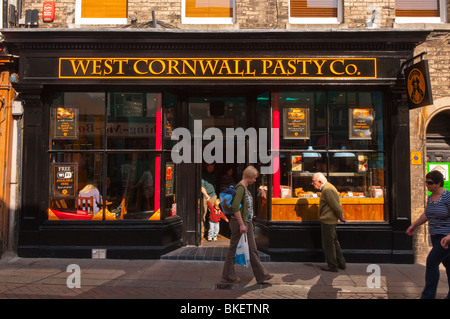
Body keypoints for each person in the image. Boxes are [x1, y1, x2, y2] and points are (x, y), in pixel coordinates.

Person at [221, 165, 274, 284]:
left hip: (246, 222)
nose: (255, 180)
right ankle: (228, 275)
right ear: (249, 176)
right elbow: (235, 206)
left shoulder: (244, 187)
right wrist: (241, 224)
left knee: (252, 249)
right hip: (240, 223)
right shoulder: (240, 188)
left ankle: (262, 275)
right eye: (254, 178)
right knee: (233, 249)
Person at [406, 170, 450, 299]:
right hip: (435, 236)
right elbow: (427, 214)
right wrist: (414, 225)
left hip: (445, 237)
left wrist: (449, 236)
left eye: (430, 183)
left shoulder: (447, 196)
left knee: (431, 262)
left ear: (438, 183)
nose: (427, 185)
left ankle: (428, 295)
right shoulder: (430, 197)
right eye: (426, 182)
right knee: (448, 264)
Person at [312, 173, 347, 272]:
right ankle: (341, 263)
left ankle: (332, 265)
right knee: (334, 242)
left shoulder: (327, 189)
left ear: (320, 181)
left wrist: (341, 216)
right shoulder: (328, 187)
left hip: (328, 220)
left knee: (328, 244)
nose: (312, 184)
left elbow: (335, 205)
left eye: (313, 181)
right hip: (330, 219)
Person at [201, 163, 217, 239]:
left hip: (213, 195)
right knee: (203, 214)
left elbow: (214, 184)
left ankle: (211, 234)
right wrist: (207, 195)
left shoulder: (213, 174)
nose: (211, 169)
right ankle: (202, 233)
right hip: (205, 196)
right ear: (206, 166)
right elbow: (202, 187)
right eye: (210, 167)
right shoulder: (203, 174)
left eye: (213, 168)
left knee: (213, 215)